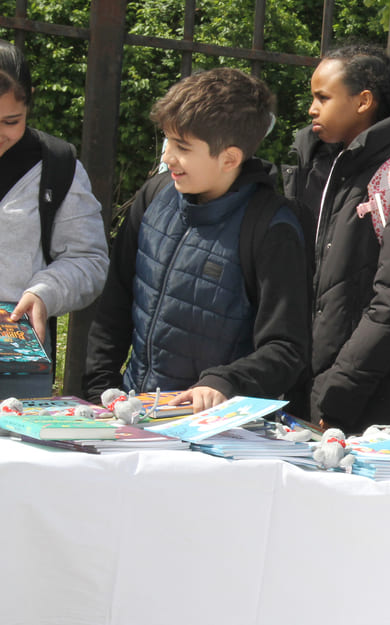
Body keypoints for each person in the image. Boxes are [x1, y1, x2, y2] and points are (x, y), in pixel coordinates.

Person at [83, 68, 310, 412]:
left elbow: (286, 348)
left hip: (213, 433)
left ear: (229, 158)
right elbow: (115, 303)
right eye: (168, 141)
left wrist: (225, 382)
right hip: (130, 411)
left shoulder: (271, 228)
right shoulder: (154, 195)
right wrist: (100, 389)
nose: (166, 157)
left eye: (182, 147)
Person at [283, 44, 390, 434]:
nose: (312, 109)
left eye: (323, 97)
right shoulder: (315, 166)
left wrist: (338, 392)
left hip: (371, 402)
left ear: (364, 101)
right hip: (303, 390)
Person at [0, 41, 108, 349]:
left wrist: (44, 292)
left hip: (16, 353)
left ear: (29, 101)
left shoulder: (57, 166)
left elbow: (89, 259)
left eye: (11, 121)